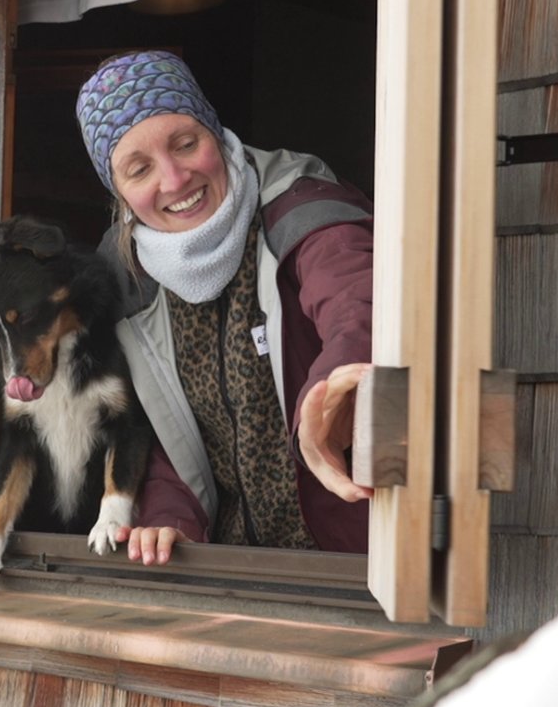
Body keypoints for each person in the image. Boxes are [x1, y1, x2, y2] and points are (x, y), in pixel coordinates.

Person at [75, 50, 375, 563]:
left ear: (216, 133)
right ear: (120, 194)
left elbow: (358, 298)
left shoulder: (301, 209)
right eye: (139, 169)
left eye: (186, 144)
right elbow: (166, 432)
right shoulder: (129, 284)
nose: (173, 180)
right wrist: (170, 520)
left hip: (354, 565)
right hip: (238, 568)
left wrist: (335, 390)